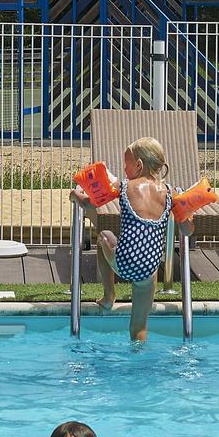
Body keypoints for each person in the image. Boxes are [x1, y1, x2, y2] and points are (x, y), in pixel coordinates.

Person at [71, 136, 194, 341]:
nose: (124, 169)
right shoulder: (171, 193)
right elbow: (187, 231)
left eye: (125, 164)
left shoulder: (125, 186)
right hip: (149, 270)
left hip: (123, 262)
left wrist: (76, 195)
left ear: (138, 164)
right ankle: (140, 359)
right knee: (138, 328)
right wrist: (189, 216)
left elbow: (91, 205)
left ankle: (109, 296)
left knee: (104, 236)